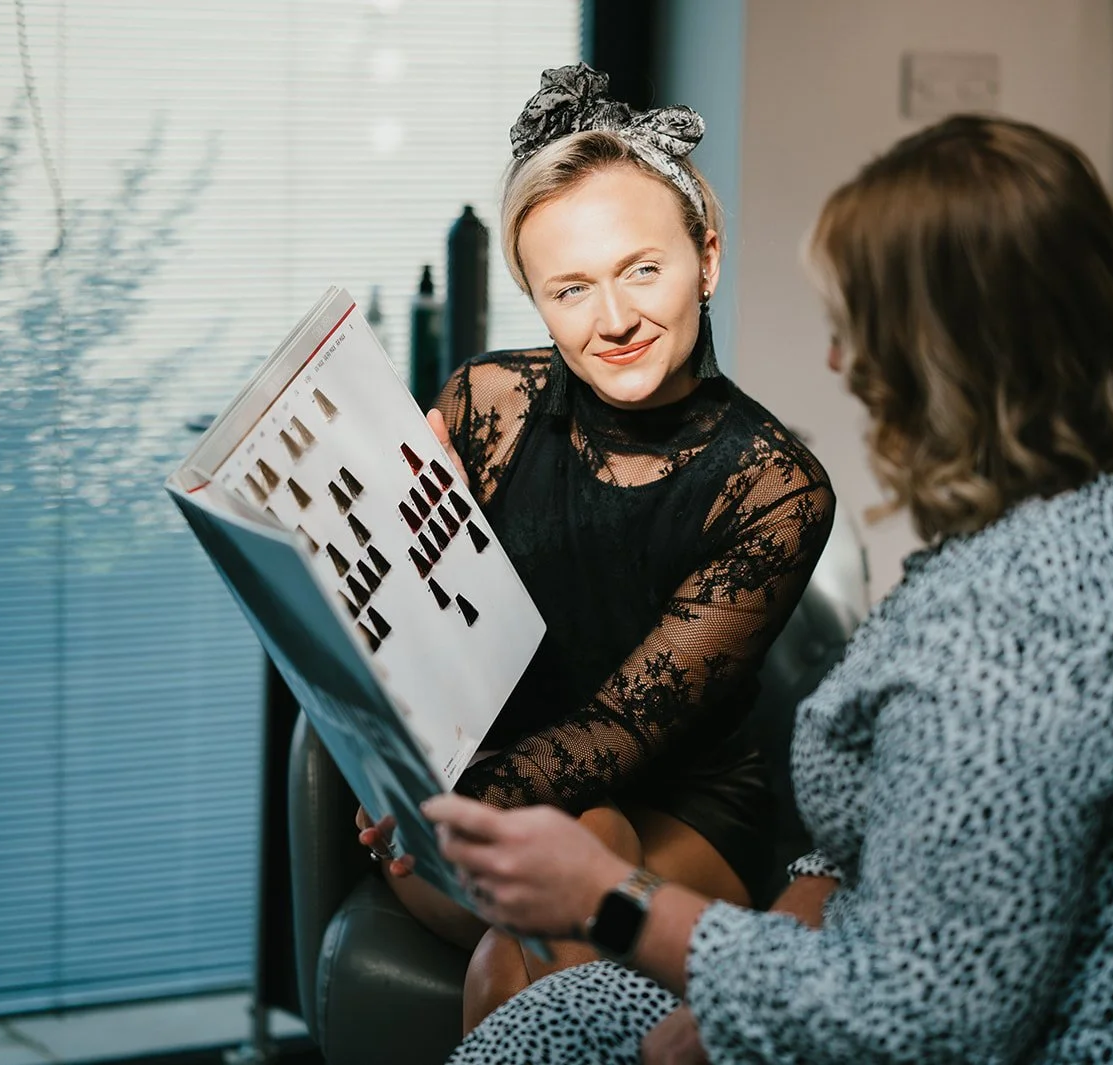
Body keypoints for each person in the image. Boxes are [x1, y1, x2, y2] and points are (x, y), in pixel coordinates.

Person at [425, 114, 1113, 1064]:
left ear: (952, 360)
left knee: (547, 1027)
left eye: (857, 331)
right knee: (566, 1014)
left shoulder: (1022, 630)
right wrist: (801, 904)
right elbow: (930, 831)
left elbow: (923, 1021)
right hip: (985, 982)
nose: (841, 364)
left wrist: (610, 900)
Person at [355, 63, 836, 1031]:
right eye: (569, 289)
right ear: (533, 294)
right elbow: (400, 631)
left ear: (707, 254)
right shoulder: (482, 404)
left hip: (679, 811)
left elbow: (619, 735)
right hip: (486, 786)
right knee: (558, 888)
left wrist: (450, 807)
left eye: (641, 270)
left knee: (548, 914)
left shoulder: (774, 486)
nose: (612, 320)